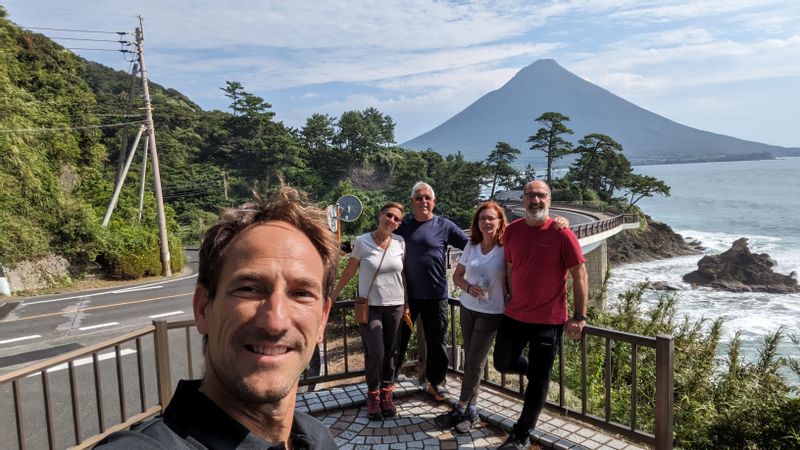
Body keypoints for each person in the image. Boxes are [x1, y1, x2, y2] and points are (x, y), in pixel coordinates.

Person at [95, 187, 339, 449]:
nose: (275, 322)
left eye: (301, 293)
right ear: (203, 308)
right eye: (248, 289)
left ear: (322, 319)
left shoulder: (318, 438)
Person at [433, 202, 569, 434]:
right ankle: (472, 410)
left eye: (491, 219)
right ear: (477, 223)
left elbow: (529, 256)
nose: (487, 222)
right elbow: (457, 276)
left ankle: (461, 406)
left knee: (474, 361)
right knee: (473, 360)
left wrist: (559, 222)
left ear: (500, 222)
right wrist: (467, 288)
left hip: (493, 311)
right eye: (482, 219)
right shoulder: (471, 246)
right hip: (468, 307)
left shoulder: (508, 246)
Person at [494, 180, 588, 450]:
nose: (535, 200)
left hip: (548, 320)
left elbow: (580, 274)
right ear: (522, 199)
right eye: (530, 195)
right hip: (515, 314)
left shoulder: (562, 233)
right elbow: (511, 268)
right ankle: (540, 374)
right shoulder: (512, 231)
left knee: (537, 381)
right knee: (502, 362)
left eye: (541, 195)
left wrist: (580, 316)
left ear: (549, 199)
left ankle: (521, 433)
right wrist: (511, 295)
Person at [331, 202, 407, 420]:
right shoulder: (362, 242)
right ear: (380, 214)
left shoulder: (400, 243)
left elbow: (403, 276)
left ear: (399, 224)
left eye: (396, 219)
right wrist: (332, 297)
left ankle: (386, 393)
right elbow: (349, 271)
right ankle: (373, 395)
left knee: (391, 351)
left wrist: (407, 303)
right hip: (370, 306)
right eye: (388, 215)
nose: (391, 220)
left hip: (396, 305)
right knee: (376, 352)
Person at [394, 181, 469, 401]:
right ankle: (387, 384)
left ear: (434, 202)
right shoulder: (402, 225)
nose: (423, 201)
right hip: (406, 297)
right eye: (419, 198)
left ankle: (436, 383)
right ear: (411, 202)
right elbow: (379, 237)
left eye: (427, 198)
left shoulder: (444, 225)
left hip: (436, 295)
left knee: (437, 342)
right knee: (399, 340)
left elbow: (471, 247)